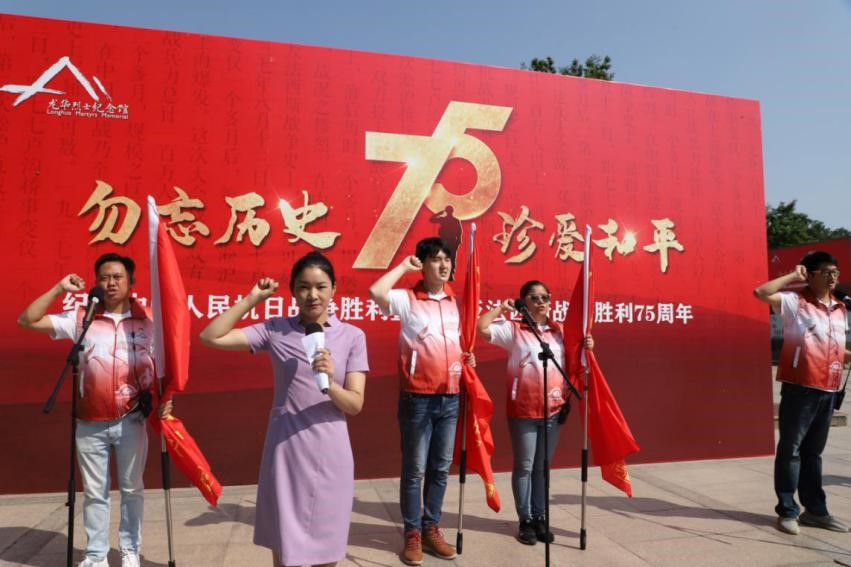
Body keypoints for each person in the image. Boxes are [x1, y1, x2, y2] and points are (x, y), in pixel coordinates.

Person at [199, 251, 368, 567]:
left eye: (321, 286)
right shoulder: (275, 330)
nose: (312, 295)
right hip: (287, 448)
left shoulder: (352, 336)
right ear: (292, 291)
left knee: (327, 546)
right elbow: (210, 337)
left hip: (331, 449)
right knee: (285, 547)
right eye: (304, 287)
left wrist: (330, 383)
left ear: (334, 288)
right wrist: (252, 299)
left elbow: (355, 404)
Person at [16, 253, 171, 567]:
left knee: (132, 489)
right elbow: (27, 320)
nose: (110, 283)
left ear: (131, 282)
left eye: (117, 277)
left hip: (132, 419)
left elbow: (167, 363)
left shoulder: (149, 319)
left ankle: (129, 550)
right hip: (90, 421)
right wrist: (59, 288)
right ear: (96, 282)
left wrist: (168, 397)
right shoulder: (82, 319)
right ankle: (96, 555)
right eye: (104, 277)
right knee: (95, 492)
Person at [369, 237, 472, 566]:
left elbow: (458, 343)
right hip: (418, 398)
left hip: (451, 397)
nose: (444, 265)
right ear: (423, 265)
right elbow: (375, 292)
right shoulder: (408, 299)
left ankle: (431, 528)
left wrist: (466, 359)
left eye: (447, 259)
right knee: (415, 470)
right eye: (436, 259)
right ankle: (412, 532)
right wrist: (402, 266)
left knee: (440, 468)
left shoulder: (456, 303)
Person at [477, 280, 592, 545]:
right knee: (525, 466)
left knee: (542, 466)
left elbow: (578, 358)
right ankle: (525, 520)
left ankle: (540, 517)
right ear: (524, 302)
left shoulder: (559, 331)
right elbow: (482, 328)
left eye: (545, 297)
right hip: (524, 410)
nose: (542, 302)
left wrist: (588, 344)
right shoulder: (514, 330)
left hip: (554, 410)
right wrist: (501, 309)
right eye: (535, 298)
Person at [754, 251, 850, 535]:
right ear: (810, 274)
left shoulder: (840, 308)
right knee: (791, 450)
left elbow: (835, 347)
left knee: (813, 453)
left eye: (835, 272)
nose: (832, 277)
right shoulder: (796, 302)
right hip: (801, 388)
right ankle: (787, 510)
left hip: (829, 388)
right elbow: (760, 292)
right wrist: (794, 277)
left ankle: (816, 512)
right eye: (826, 272)